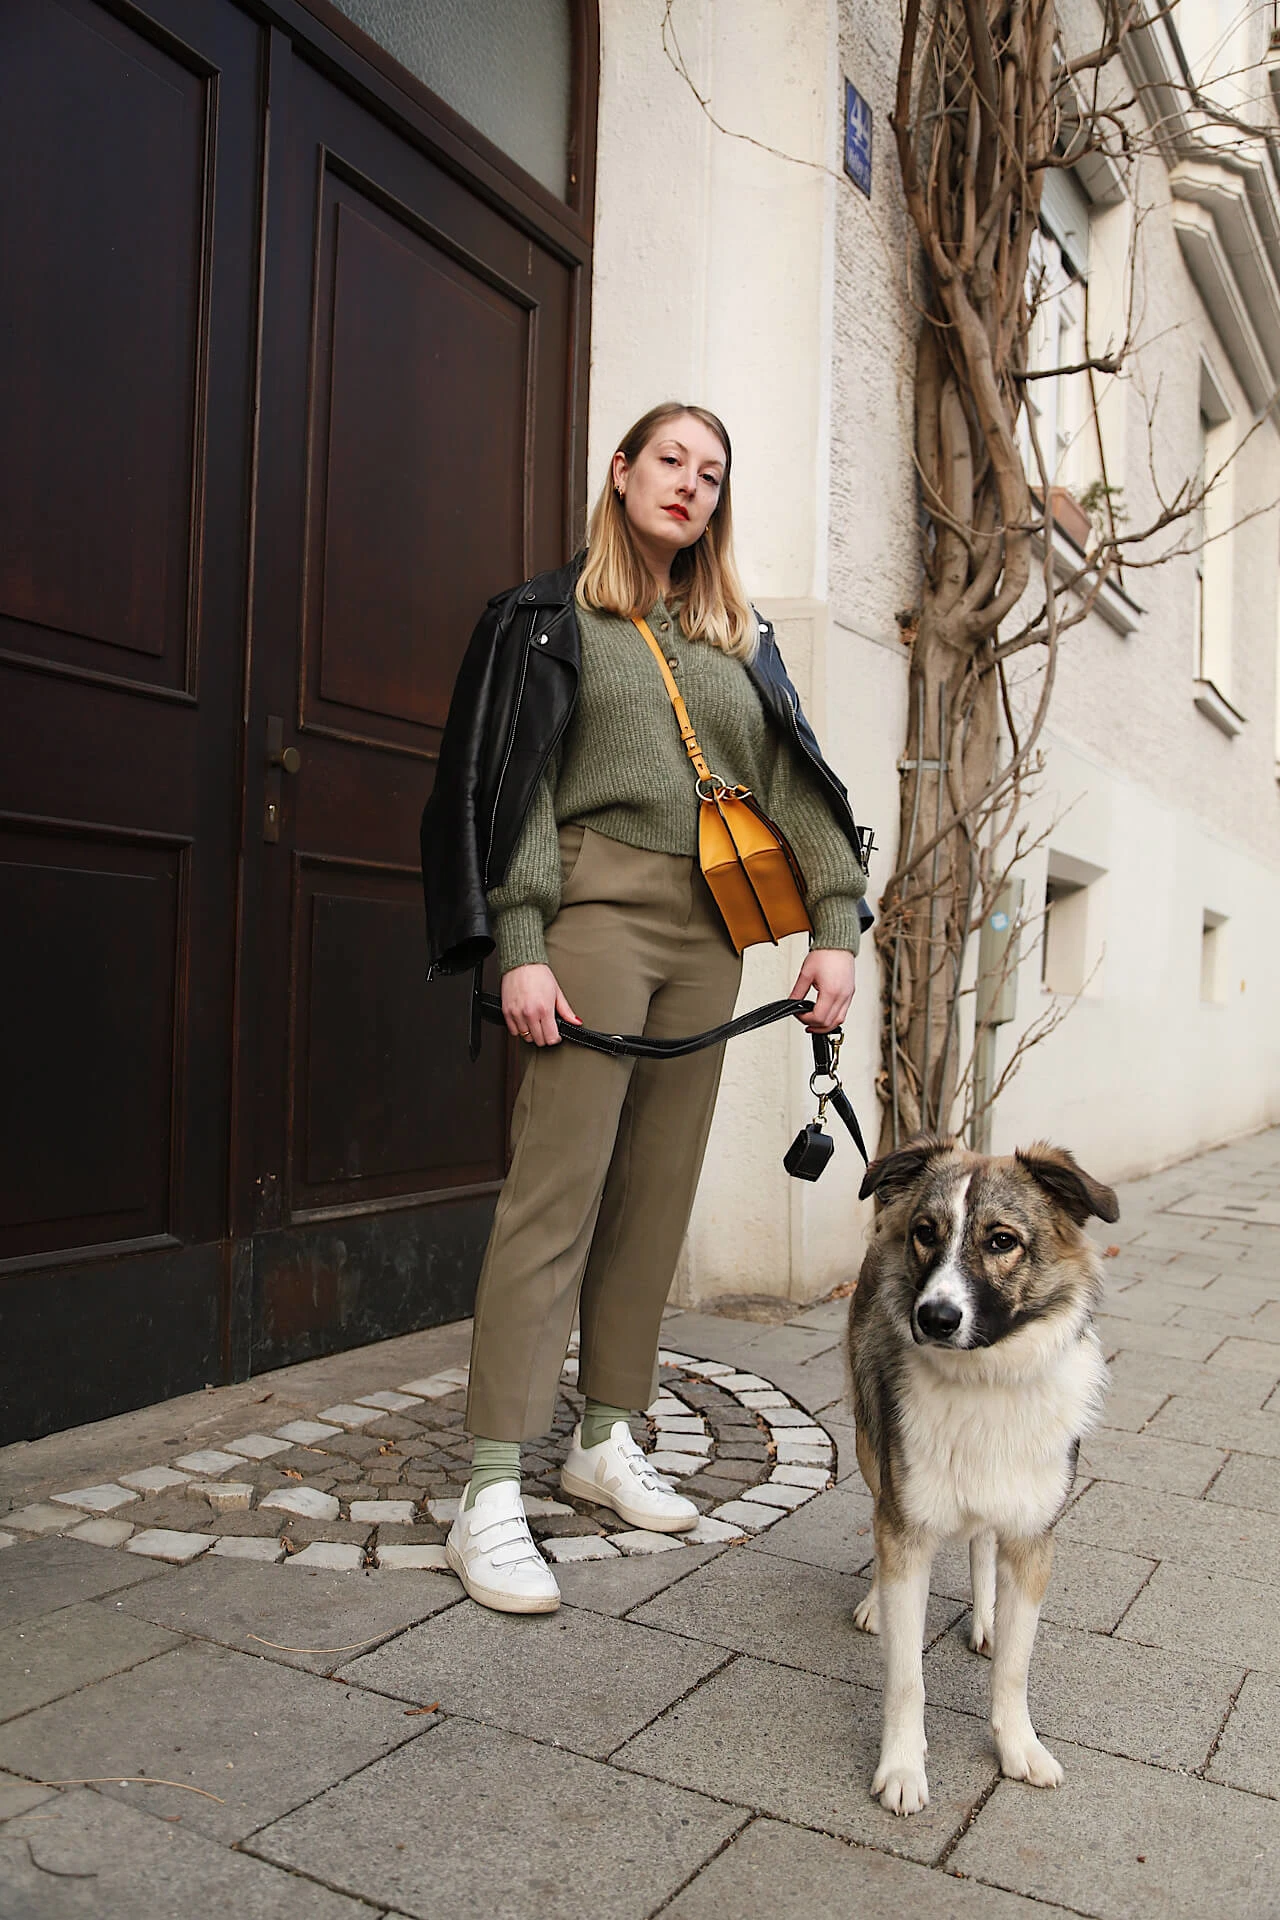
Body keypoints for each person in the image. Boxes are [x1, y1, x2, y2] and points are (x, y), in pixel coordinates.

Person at [421, 402, 869, 1613]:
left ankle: (604, 1433)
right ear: (619, 474)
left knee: (654, 1191)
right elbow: (512, 789)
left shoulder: (734, 636)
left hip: (709, 932)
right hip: (594, 915)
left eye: (711, 472)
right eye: (668, 460)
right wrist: (518, 942)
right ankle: (491, 1485)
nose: (689, 484)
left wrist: (834, 928)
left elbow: (797, 784)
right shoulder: (548, 618)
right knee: (551, 1195)